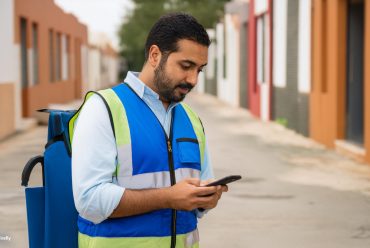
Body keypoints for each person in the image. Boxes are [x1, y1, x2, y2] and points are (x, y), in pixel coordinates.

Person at [72, 12, 227, 248]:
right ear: (155, 55)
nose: (193, 79)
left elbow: (195, 197)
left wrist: (205, 199)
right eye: (186, 66)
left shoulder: (192, 120)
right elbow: (89, 200)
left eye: (200, 69)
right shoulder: (103, 108)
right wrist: (168, 197)